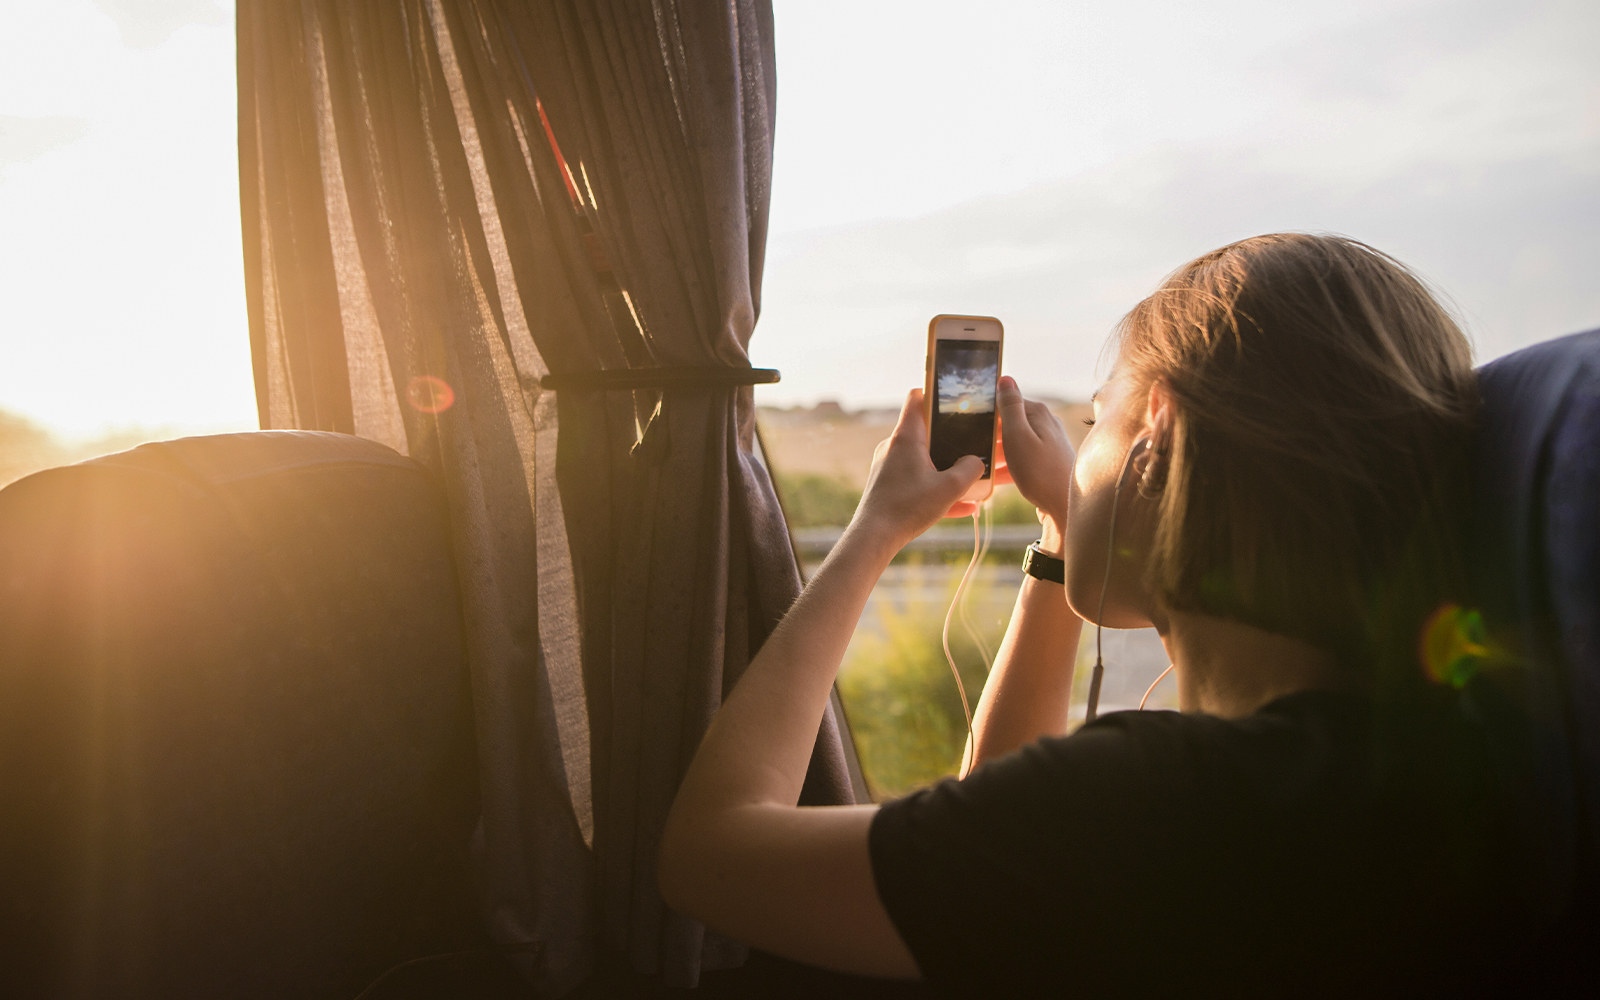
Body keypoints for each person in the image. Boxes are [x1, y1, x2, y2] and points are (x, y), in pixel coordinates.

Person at [657, 234, 1528, 997]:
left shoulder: (1154, 803)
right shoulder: (1441, 761)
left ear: (1158, 436)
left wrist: (875, 531)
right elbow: (998, 828)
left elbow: (710, 854)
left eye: (1093, 422)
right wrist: (1065, 540)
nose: (1076, 455)